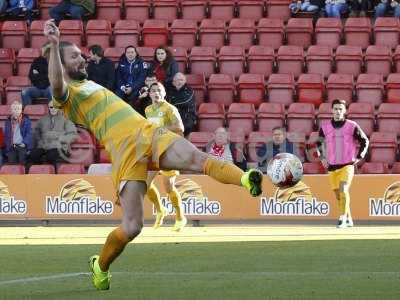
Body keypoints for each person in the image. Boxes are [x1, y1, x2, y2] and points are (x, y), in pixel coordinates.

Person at [44, 20, 263, 291]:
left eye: (80, 53)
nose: (83, 57)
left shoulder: (90, 84)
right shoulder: (67, 95)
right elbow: (55, 84)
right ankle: (100, 266)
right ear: (62, 63)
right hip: (126, 151)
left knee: (197, 159)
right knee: (133, 226)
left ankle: (246, 179)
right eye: (75, 55)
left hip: (149, 132)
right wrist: (54, 45)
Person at [317, 99, 369, 228]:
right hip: (332, 166)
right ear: (331, 110)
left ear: (345, 111)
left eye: (340, 109)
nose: (338, 111)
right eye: (335, 109)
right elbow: (318, 143)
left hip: (347, 165)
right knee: (338, 196)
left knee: (343, 190)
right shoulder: (325, 127)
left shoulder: (352, 125)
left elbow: (364, 141)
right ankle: (349, 218)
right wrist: (322, 158)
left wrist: (359, 156)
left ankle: (342, 219)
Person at [145, 82, 187, 231]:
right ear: (149, 94)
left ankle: (180, 217)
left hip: (169, 151)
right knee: (146, 184)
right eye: (153, 91)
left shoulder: (170, 109)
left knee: (168, 187)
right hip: (154, 151)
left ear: (164, 93)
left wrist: (160, 128)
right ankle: (160, 210)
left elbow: (180, 127)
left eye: (159, 90)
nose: (156, 93)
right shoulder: (148, 110)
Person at [30, 100, 77, 166]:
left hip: (59, 147)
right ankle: (38, 173)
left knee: (52, 155)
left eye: (55, 107)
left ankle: (52, 173)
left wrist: (61, 138)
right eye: (51, 107)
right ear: (48, 108)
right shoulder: (43, 119)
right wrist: (40, 140)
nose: (53, 109)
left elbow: (73, 135)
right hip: (44, 146)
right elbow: (37, 131)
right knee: (33, 155)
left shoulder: (65, 120)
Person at [22, 43, 52, 107]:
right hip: (37, 87)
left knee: (52, 92)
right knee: (24, 92)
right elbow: (31, 75)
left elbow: (53, 77)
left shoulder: (54, 61)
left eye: (46, 50)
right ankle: (29, 113)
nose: (43, 52)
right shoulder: (36, 61)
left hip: (49, 88)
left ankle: (54, 114)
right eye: (43, 50)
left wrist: (38, 75)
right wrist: (46, 76)